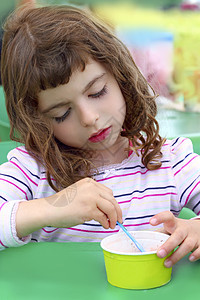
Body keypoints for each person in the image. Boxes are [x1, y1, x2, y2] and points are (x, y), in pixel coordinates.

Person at [0, 5, 200, 269]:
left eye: (97, 92)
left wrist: (195, 230)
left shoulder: (171, 161)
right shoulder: (32, 170)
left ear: (121, 78)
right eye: (61, 113)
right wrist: (52, 207)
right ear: (36, 120)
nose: (89, 117)